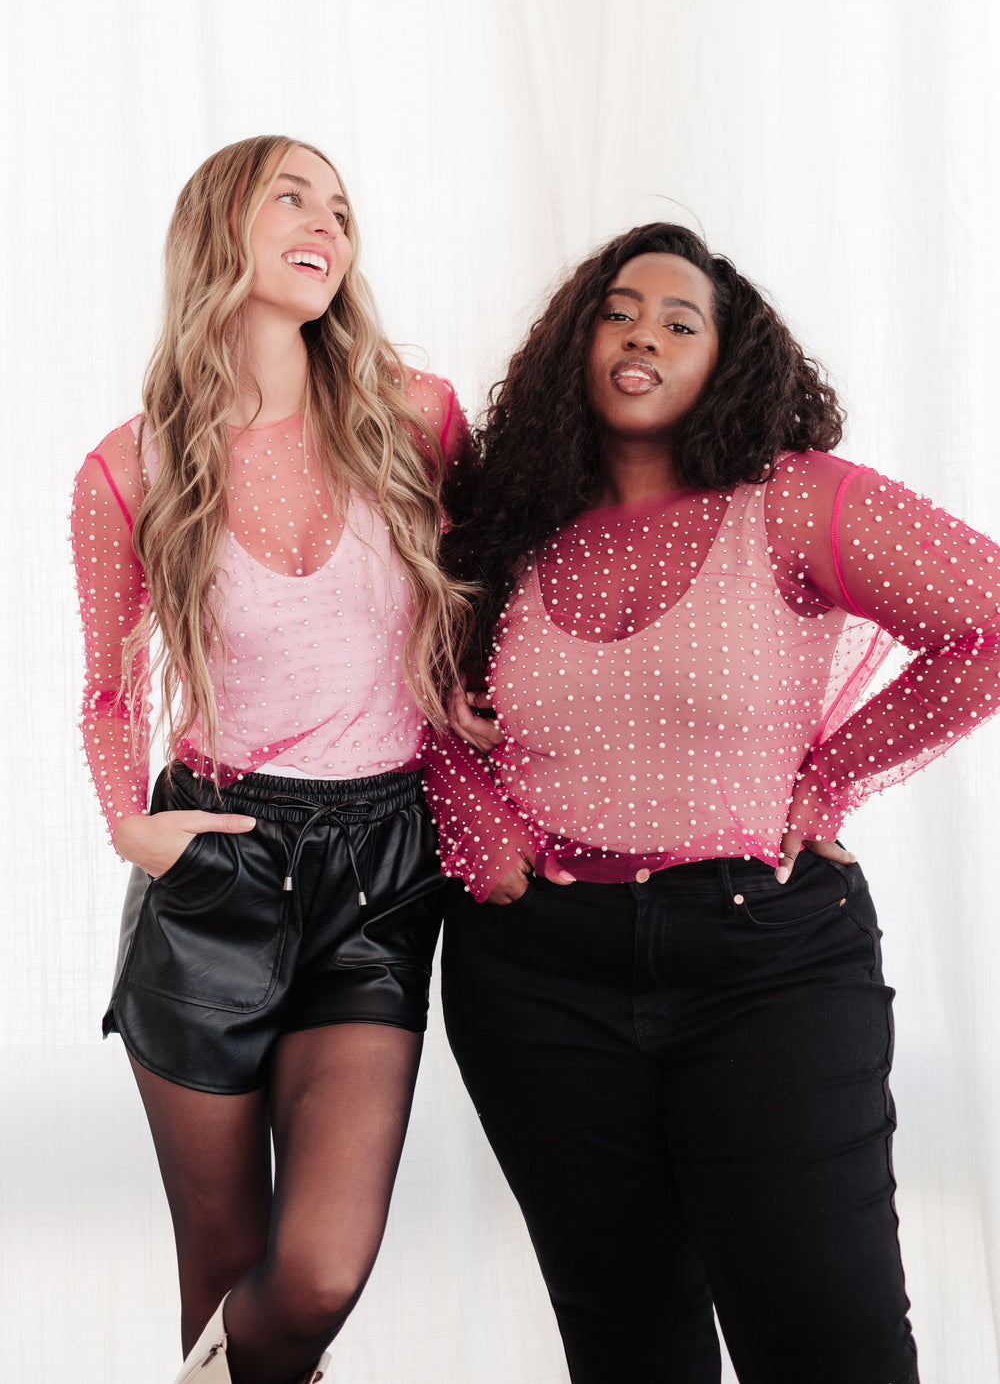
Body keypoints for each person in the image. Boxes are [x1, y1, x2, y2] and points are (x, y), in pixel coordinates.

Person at [426, 221, 1000, 1384]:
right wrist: (477, 823)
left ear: (726, 361)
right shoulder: (505, 525)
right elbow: (406, 701)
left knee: (829, 1344)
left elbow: (983, 620)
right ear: (575, 344)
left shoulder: (789, 502)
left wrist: (830, 777)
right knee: (629, 1350)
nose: (642, 336)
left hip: (766, 965)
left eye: (679, 322)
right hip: (536, 979)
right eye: (618, 312)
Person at [71, 135, 469, 1384]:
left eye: (340, 208)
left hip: (381, 876)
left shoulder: (416, 416)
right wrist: (131, 826)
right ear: (217, 229)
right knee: (223, 1264)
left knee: (315, 1275)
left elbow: (489, 612)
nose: (325, 224)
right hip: (216, 873)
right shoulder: (130, 466)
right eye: (291, 196)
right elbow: (108, 688)